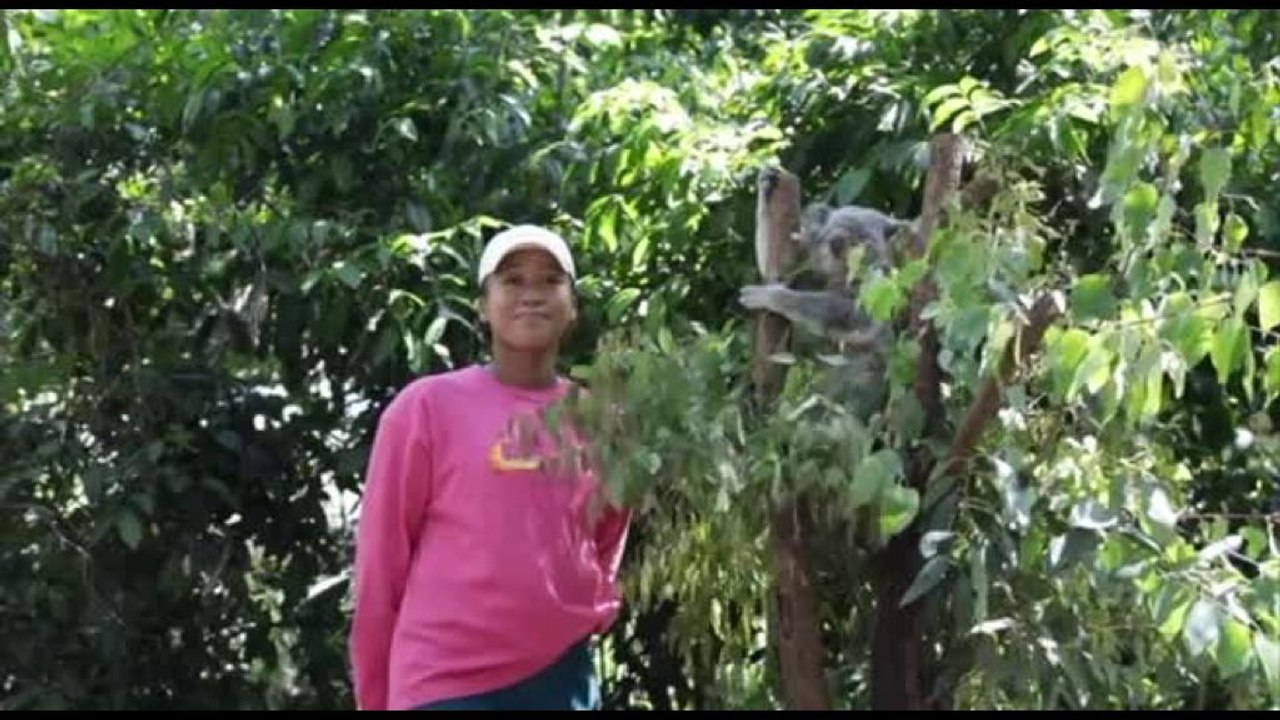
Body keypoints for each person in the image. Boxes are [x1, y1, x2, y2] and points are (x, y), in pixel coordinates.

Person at [348, 225, 630, 711]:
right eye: (513, 280)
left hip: (560, 680)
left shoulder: (601, 421)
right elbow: (381, 562)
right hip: (445, 683)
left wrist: (587, 611)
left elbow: (605, 539)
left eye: (549, 281)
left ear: (573, 306)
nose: (532, 295)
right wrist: (374, 695)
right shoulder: (426, 408)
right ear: (482, 305)